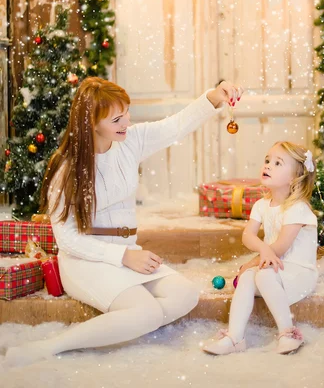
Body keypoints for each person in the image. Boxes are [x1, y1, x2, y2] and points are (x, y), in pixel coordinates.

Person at [5, 77, 243, 367]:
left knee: (186, 294)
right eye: (117, 118)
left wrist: (214, 97)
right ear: (91, 123)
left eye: (127, 112)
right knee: (147, 313)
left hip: (128, 252)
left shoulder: (130, 142)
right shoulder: (68, 168)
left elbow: (177, 125)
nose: (126, 122)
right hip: (85, 260)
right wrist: (123, 256)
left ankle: (131, 321)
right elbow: (67, 239)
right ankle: (49, 347)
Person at [203, 141, 318, 356]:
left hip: (299, 273)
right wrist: (262, 253)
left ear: (294, 177)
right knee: (248, 277)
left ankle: (287, 332)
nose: (267, 165)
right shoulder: (261, 205)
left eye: (277, 163)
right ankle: (235, 337)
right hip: (274, 268)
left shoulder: (297, 208)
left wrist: (255, 260)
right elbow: (247, 235)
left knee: (261, 274)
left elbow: (281, 247)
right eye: (267, 160)